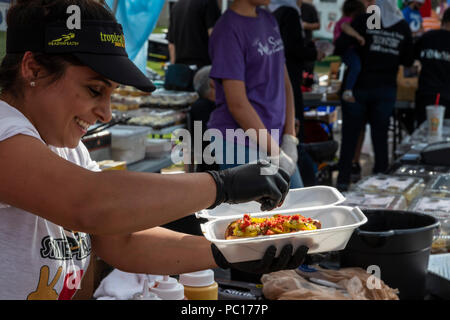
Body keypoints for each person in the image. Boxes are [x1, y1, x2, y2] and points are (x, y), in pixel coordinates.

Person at [0, 0, 308, 300]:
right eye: (94, 90)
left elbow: (122, 239)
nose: (106, 114)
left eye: (111, 94)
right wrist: (224, 185)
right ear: (33, 70)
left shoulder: (69, 149)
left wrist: (228, 250)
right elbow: (89, 203)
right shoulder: (4, 130)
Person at [207, 0, 304, 189]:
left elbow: (284, 81)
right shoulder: (227, 29)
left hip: (274, 141)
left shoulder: (268, 19)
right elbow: (237, 104)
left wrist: (290, 136)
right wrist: (276, 153)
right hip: (239, 143)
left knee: (297, 209)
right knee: (257, 216)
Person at [334, 0, 414, 191]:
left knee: (350, 137)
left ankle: (343, 182)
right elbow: (408, 59)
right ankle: (380, 184)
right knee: (380, 138)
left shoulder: (368, 18)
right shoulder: (401, 26)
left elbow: (341, 46)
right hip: (384, 90)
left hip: (358, 89)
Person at [413, 7, 450, 125]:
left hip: (424, 94)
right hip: (445, 96)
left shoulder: (427, 37)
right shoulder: (427, 37)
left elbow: (410, 60)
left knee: (423, 135)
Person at [167, 0, 221, 69]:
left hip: (181, 69)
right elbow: (214, 36)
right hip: (202, 67)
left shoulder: (176, 6)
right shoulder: (209, 2)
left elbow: (171, 45)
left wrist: (174, 67)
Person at [334, 0, 367, 103]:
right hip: (348, 50)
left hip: (346, 50)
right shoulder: (346, 20)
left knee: (351, 69)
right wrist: (358, 36)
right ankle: (347, 91)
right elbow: (346, 27)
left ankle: (343, 89)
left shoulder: (342, 19)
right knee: (356, 66)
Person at [298, 0, 321, 75]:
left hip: (307, 44)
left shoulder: (309, 8)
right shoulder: (286, 8)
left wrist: (306, 25)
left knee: (308, 72)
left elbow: (318, 25)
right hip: (292, 46)